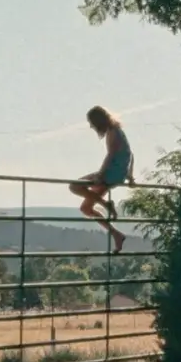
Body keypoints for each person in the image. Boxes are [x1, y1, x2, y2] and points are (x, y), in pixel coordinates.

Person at [69, 105, 133, 253]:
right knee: (86, 209)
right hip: (117, 174)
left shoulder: (112, 132)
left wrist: (100, 175)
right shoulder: (117, 131)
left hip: (111, 174)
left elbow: (110, 155)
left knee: (74, 186)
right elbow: (130, 154)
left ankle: (105, 204)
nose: (91, 126)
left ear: (98, 121)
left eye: (92, 123)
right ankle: (117, 235)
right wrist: (129, 175)